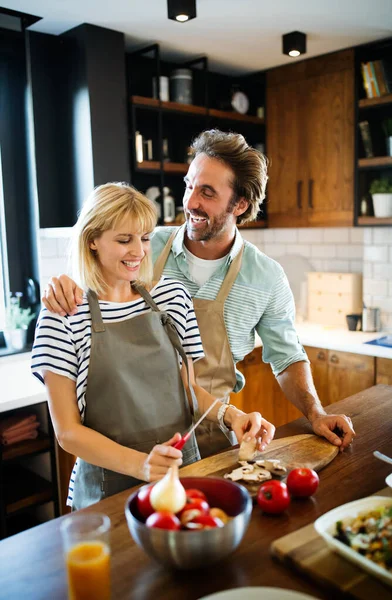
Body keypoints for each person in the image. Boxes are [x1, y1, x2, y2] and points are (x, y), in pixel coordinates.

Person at [42, 129, 355, 456]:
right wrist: (65, 285)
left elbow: (287, 358)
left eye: (207, 192)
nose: (190, 201)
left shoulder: (266, 277)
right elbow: (94, 281)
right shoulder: (146, 246)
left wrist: (317, 413)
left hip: (214, 435)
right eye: (189, 185)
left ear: (240, 204)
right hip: (131, 436)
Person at [31, 183, 274, 510]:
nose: (139, 251)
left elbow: (188, 388)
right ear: (92, 240)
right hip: (107, 489)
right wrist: (142, 465)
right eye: (123, 239)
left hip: (181, 471)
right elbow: (68, 433)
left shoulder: (171, 298)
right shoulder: (62, 316)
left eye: (144, 238)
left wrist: (231, 415)